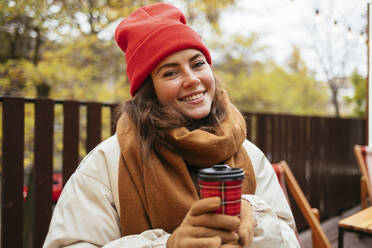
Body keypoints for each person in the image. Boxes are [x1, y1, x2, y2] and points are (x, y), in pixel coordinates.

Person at [43, 2, 301, 248]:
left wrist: (254, 217)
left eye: (198, 64)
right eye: (170, 72)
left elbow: (288, 238)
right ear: (149, 90)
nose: (191, 79)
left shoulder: (248, 154)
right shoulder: (106, 164)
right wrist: (168, 244)